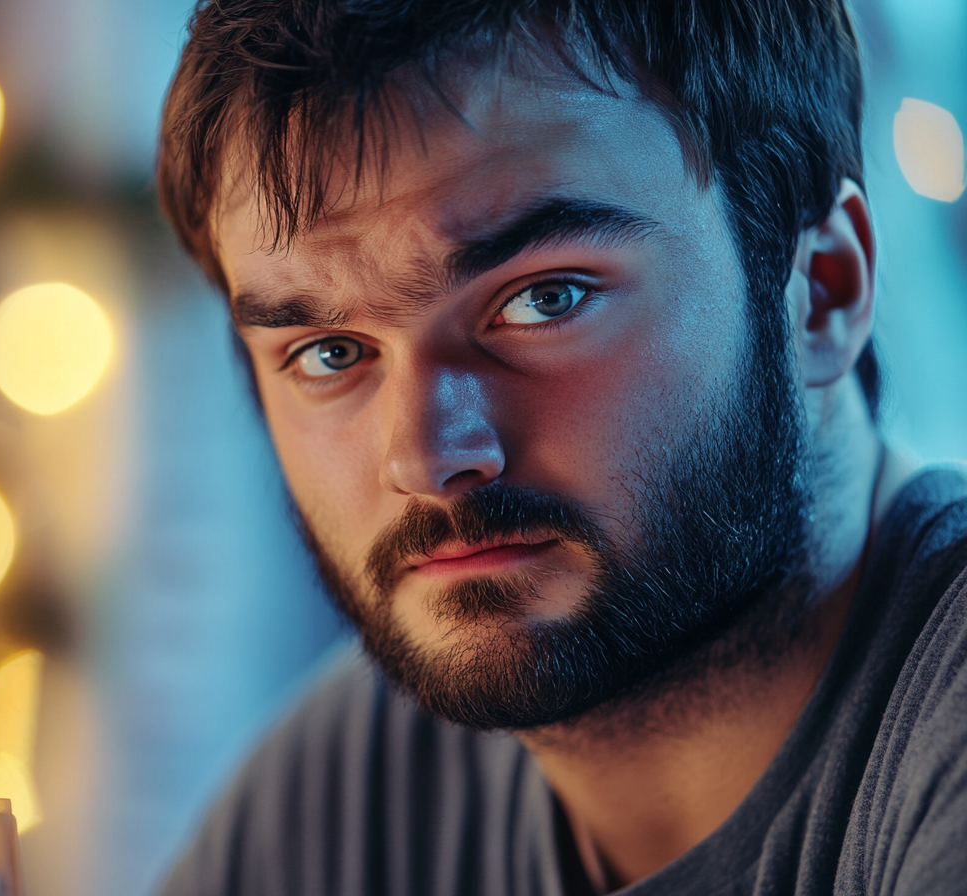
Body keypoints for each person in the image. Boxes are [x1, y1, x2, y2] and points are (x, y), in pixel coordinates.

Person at [153, 1, 967, 893]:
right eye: (330, 354)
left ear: (821, 291)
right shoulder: (348, 795)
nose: (426, 458)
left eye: (545, 299)